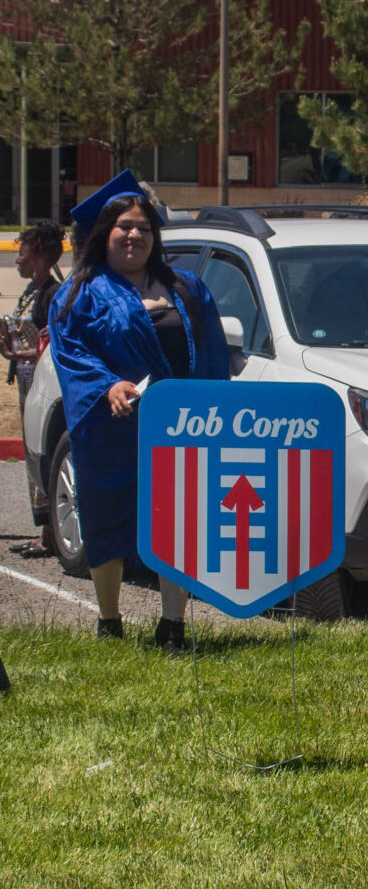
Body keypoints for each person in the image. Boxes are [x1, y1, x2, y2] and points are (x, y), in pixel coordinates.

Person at [51, 174, 229, 649]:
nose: (135, 236)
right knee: (107, 516)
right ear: (104, 234)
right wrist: (108, 384)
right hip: (114, 424)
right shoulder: (80, 292)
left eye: (144, 228)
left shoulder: (187, 286)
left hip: (180, 423)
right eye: (124, 227)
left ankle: (172, 624)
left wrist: (213, 406)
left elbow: (210, 350)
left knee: (181, 517)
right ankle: (109, 619)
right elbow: (71, 353)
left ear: (156, 236)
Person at [4, 219, 64, 559]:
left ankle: (48, 534)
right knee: (30, 456)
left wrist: (20, 352)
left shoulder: (52, 293)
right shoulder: (33, 292)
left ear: (38, 252)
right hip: (26, 380)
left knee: (38, 452)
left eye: (22, 251)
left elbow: (52, 340)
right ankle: (44, 531)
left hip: (39, 382)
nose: (17, 259)